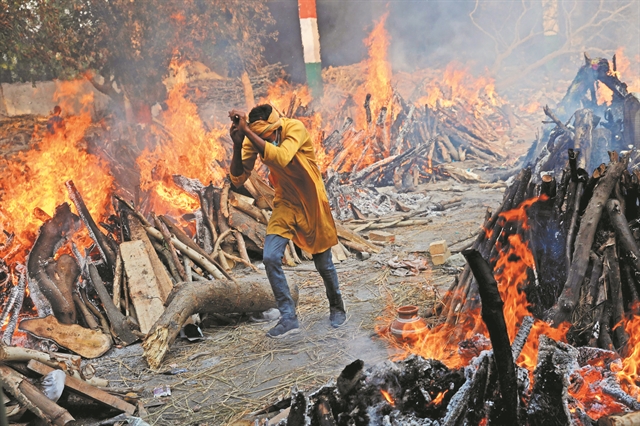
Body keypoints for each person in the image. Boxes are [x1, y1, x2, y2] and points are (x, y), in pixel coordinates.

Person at [228, 104, 347, 338]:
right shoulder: (255, 138)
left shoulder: (295, 128)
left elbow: (281, 157)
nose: (264, 141)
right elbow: (238, 178)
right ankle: (288, 317)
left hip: (312, 200)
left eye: (266, 136)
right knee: (271, 257)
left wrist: (249, 133)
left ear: (275, 127)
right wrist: (237, 142)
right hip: (286, 202)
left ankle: (336, 307)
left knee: (323, 263)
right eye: (258, 136)